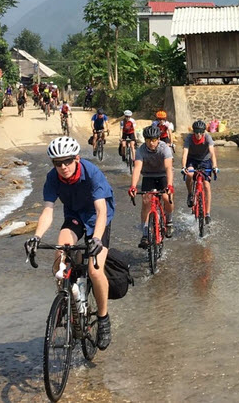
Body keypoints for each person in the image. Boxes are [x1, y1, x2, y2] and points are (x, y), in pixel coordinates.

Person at [26, 136, 114, 350]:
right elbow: (48, 210)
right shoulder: (52, 178)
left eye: (67, 161)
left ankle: (103, 319)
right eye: (58, 163)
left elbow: (101, 210)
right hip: (74, 215)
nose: (63, 167)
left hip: (97, 218)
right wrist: (36, 237)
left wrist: (95, 240)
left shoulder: (91, 173)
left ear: (77, 158)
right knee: (59, 258)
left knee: (94, 270)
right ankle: (66, 299)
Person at [128, 125, 175, 247]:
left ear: (158, 139)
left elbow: (169, 168)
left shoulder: (165, 149)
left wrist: (169, 185)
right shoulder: (141, 150)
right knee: (146, 202)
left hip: (163, 175)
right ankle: (145, 234)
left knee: (166, 198)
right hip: (148, 176)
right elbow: (137, 168)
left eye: (154, 140)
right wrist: (133, 186)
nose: (151, 143)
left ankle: (169, 222)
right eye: (148, 140)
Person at [181, 120, 219, 223]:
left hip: (205, 160)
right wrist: (184, 166)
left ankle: (207, 213)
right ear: (193, 132)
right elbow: (185, 153)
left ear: (203, 132)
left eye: (200, 132)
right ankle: (190, 194)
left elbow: (212, 153)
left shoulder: (208, 138)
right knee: (189, 174)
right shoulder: (189, 138)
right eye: (196, 132)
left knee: (206, 185)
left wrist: (215, 166)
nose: (198, 134)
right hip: (192, 159)